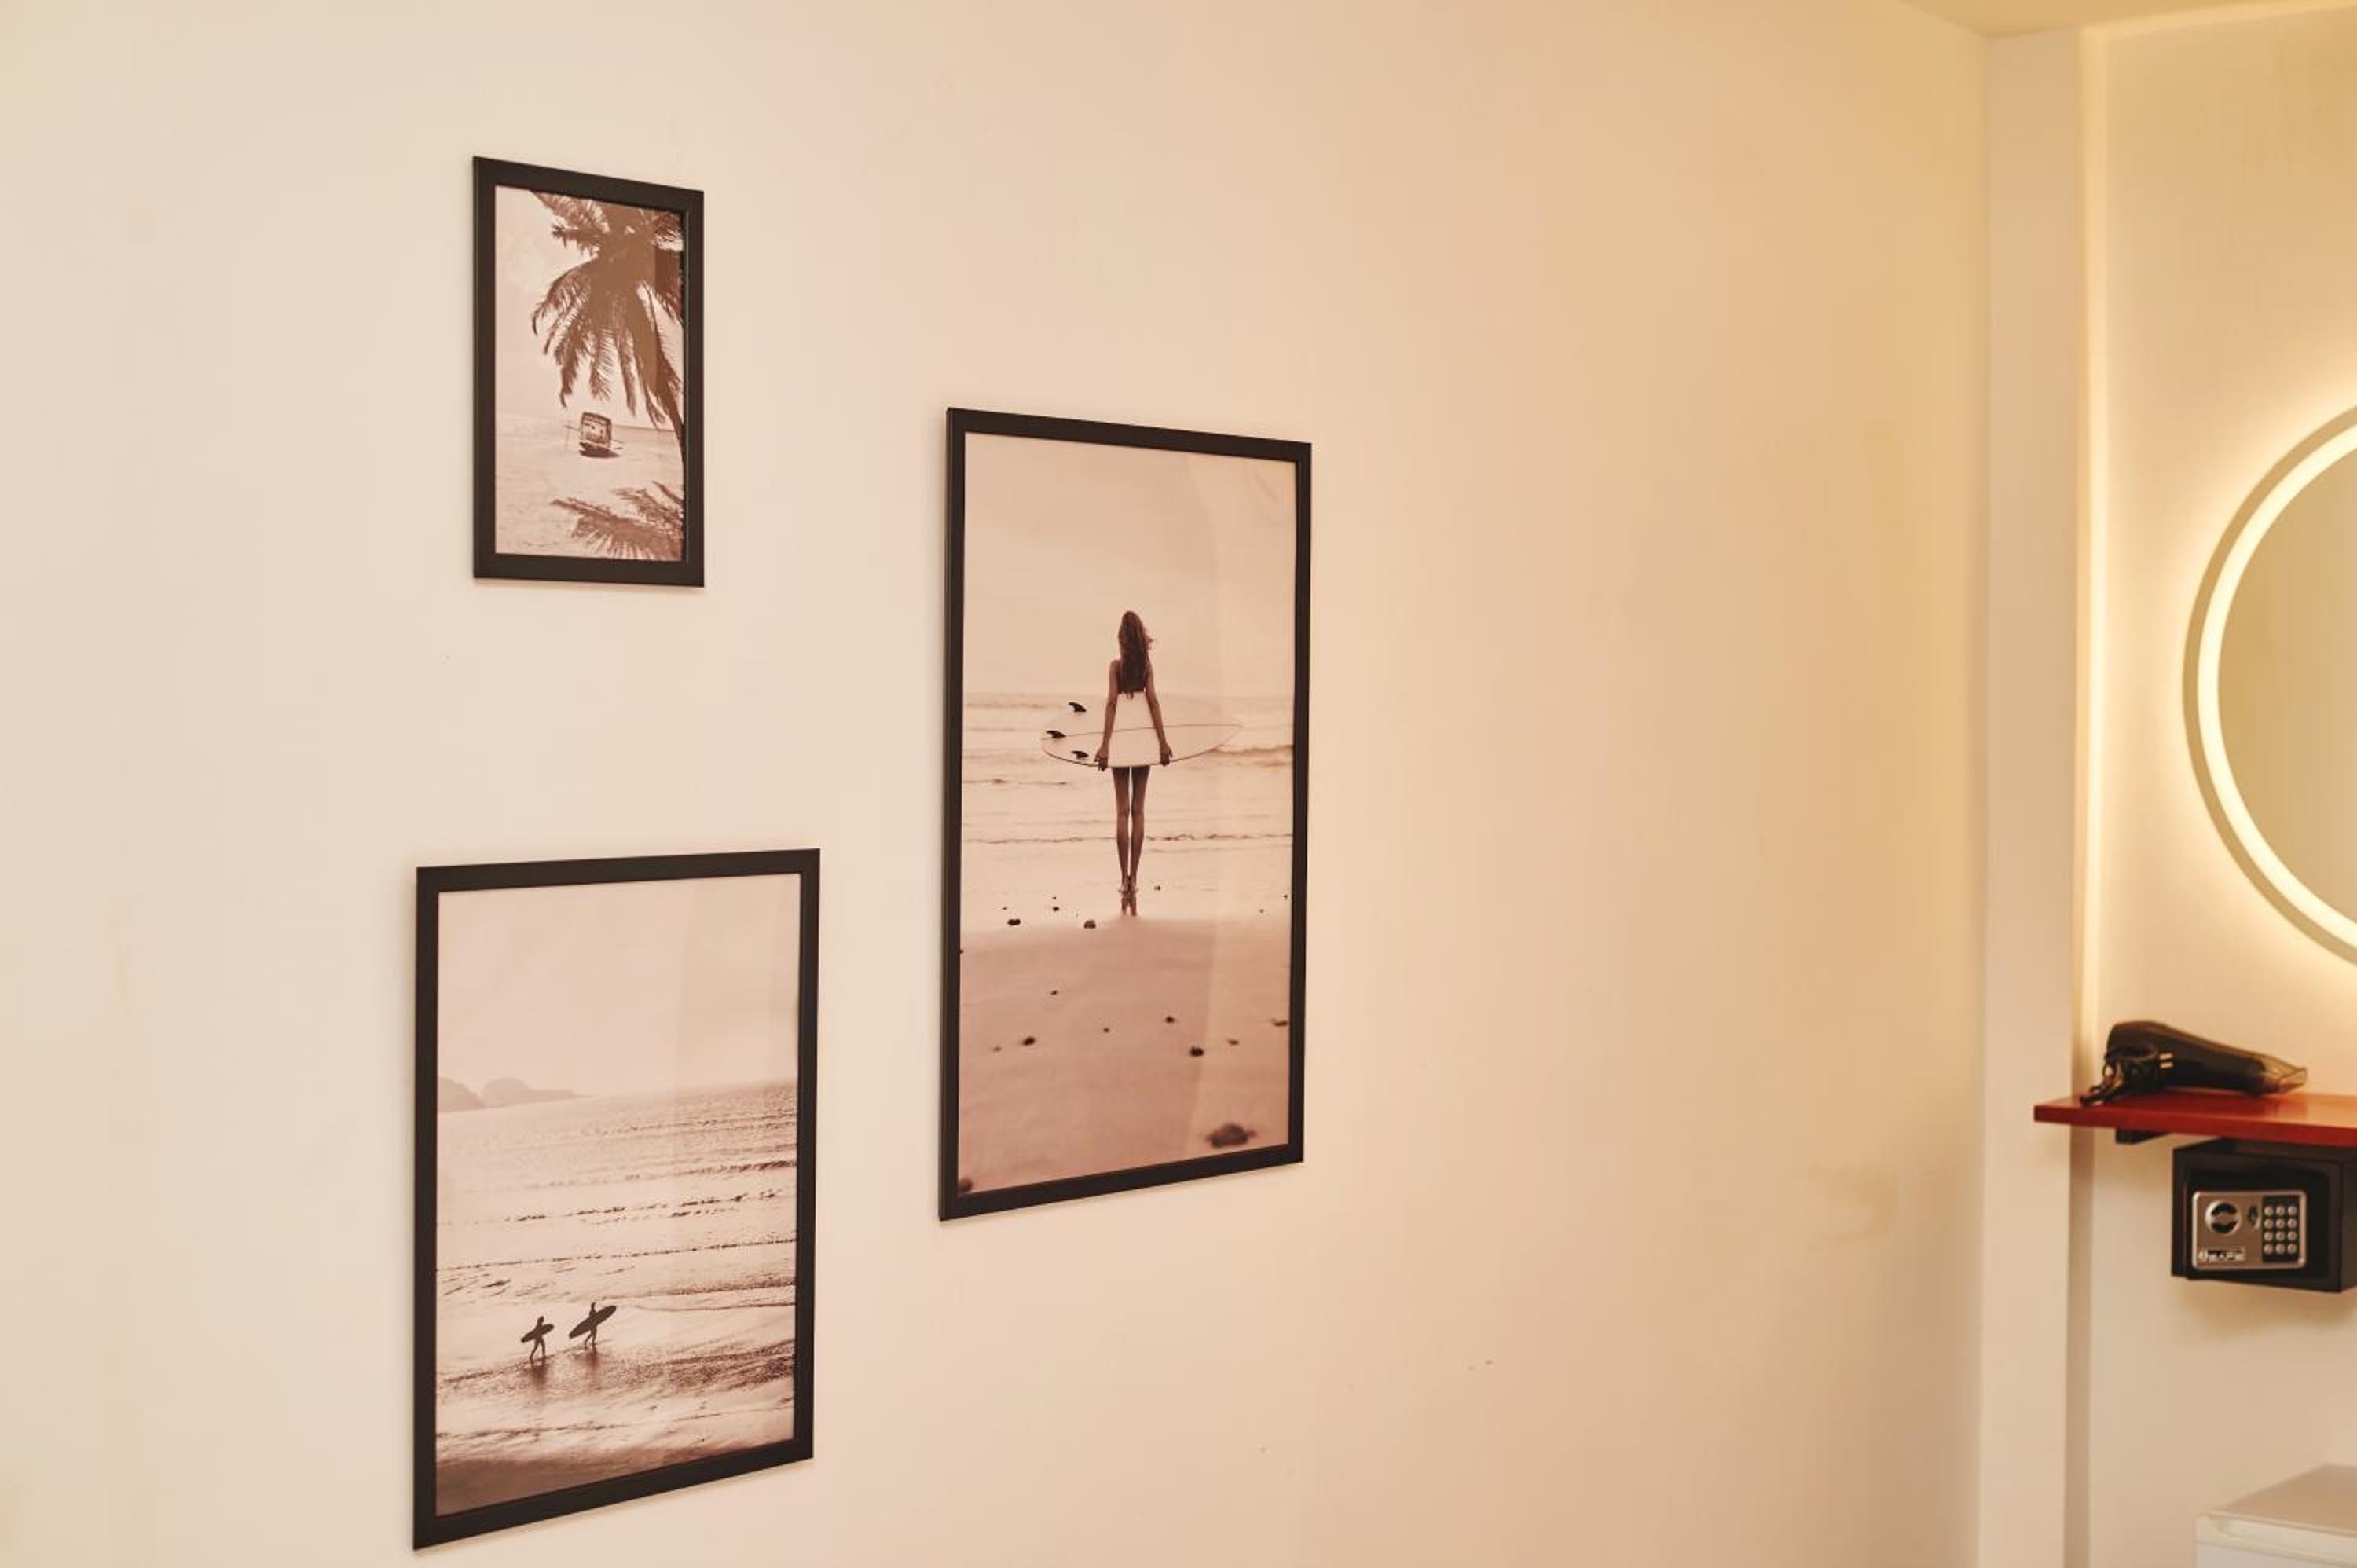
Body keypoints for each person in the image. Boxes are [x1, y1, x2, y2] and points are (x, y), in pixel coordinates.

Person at [1092, 610, 1173, 915]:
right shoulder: (1146, 669)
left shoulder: (1116, 668)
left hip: (1121, 745)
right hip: (1142, 744)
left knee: (1122, 812)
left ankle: (1123, 880)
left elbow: (1112, 704)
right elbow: (1153, 703)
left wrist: (1105, 745)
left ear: (1122, 639)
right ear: (1140, 638)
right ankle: (1134, 878)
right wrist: (1162, 742)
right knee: (1138, 811)